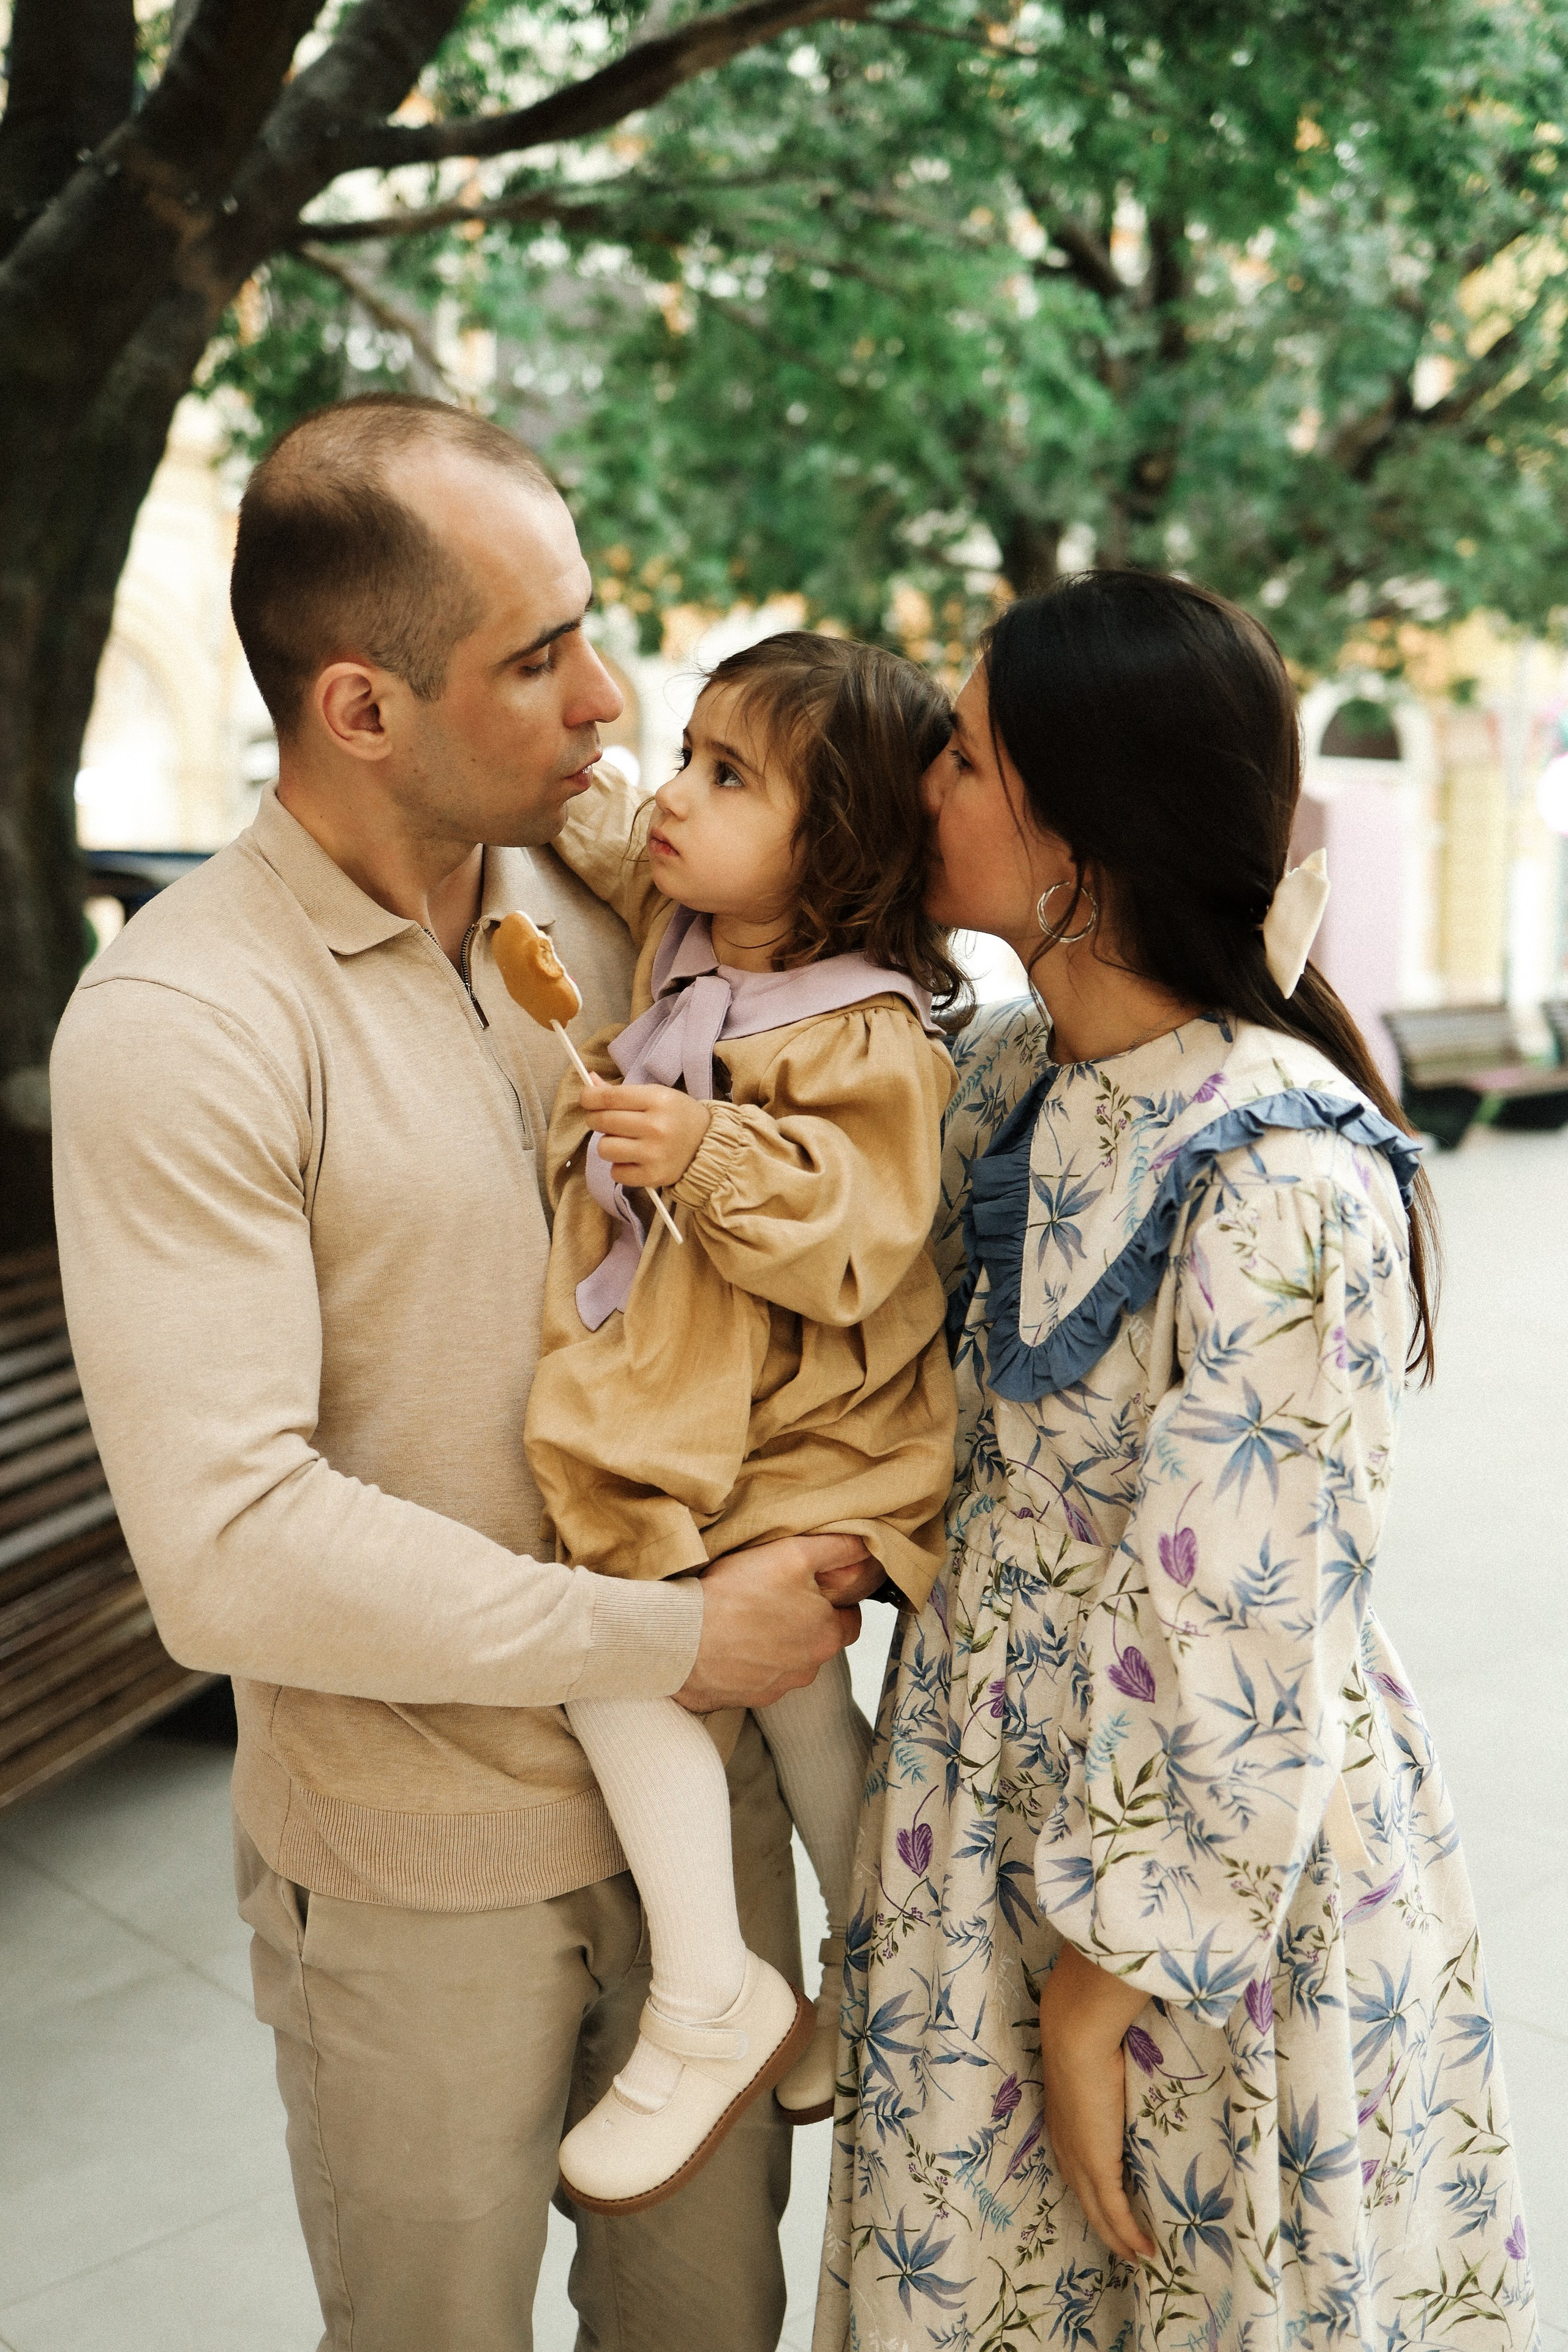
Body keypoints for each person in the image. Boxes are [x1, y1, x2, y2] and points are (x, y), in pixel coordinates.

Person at [50, 392, 880, 2352]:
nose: (606, 695)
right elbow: (231, 1547)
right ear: (359, 708)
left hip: (715, 1830)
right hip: (424, 1879)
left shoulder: (621, 905)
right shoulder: (183, 1023)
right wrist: (668, 1642)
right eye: (538, 656)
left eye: (592, 627)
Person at [816, 572, 1537, 2348]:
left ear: (1085, 832)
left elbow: (1245, 1630)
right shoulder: (1004, 1079)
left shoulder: (1282, 1184)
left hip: (1190, 1871)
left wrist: (1100, 1984)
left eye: (967, 758)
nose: (928, 788)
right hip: (978, 1795)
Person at [522, 633, 963, 2213]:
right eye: (689, 755)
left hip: (814, 1425)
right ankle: (870, 1967)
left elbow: (861, 1231)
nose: (679, 799)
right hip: (744, 1417)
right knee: (794, 1708)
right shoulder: (690, 926)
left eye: (728, 777)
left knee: (618, 1642)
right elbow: (616, 833)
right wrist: (594, 793)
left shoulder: (866, 1029)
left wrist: (706, 1147)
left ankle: (709, 1989)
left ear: (832, 845)